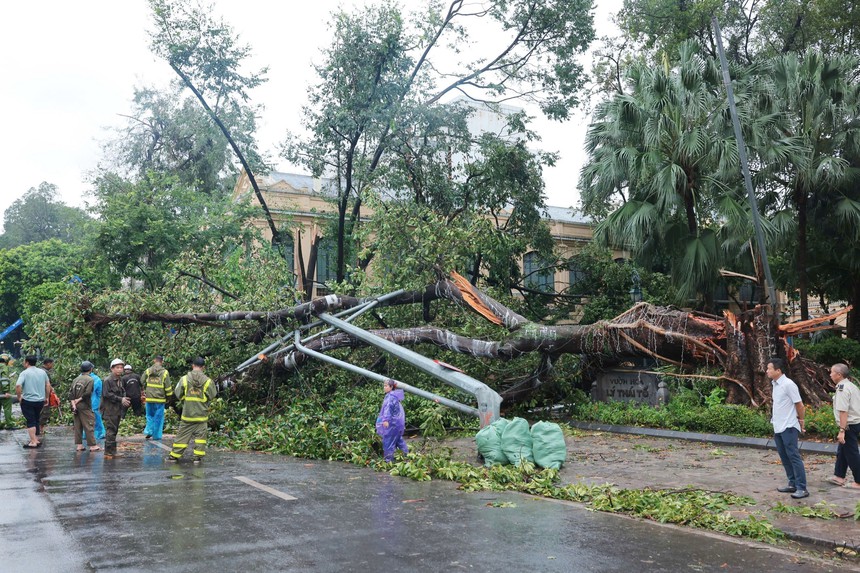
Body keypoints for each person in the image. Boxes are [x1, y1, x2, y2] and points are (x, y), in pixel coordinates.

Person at [766, 357, 809, 499]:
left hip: (789, 426)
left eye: (769, 368)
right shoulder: (775, 384)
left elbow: (799, 405)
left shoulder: (788, 384)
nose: (767, 371)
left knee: (793, 456)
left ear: (778, 370)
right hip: (778, 426)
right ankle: (792, 483)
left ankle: (802, 488)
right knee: (784, 457)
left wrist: (801, 421)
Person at [166, 357, 216, 464]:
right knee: (200, 438)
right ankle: (197, 458)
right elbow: (212, 395)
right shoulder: (208, 381)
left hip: (187, 415)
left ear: (192, 365)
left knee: (182, 436)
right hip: (201, 415)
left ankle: (174, 457)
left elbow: (178, 393)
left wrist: (186, 400)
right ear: (203, 367)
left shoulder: (184, 379)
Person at [827, 363, 860, 489]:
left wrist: (842, 430)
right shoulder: (851, 386)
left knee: (851, 453)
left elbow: (843, 411)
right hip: (854, 423)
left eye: (832, 372)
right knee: (842, 451)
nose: (830, 374)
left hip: (849, 425)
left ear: (839, 375)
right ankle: (839, 476)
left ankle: (858, 481)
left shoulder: (842, 388)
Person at [15, 355, 50, 449]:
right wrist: (47, 397)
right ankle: (36, 439)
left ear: (27, 362)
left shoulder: (24, 373)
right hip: (40, 401)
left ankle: (33, 442)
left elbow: (18, 385)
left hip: (28, 401)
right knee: (36, 419)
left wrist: (19, 397)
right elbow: (47, 385)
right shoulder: (42, 372)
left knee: (30, 420)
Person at [101, 358, 130, 459]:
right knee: (111, 430)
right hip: (109, 410)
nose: (120, 370)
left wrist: (124, 399)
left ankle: (112, 452)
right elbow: (106, 394)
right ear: (112, 369)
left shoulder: (120, 380)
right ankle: (109, 453)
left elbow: (122, 392)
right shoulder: (107, 380)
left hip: (117, 409)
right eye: (117, 368)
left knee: (115, 430)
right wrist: (120, 399)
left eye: (121, 368)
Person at [69, 361, 100, 452]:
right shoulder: (90, 380)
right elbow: (87, 393)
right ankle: (92, 446)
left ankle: (79, 445)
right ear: (91, 369)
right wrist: (78, 400)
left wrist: (74, 404)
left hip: (75, 406)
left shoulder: (76, 379)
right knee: (89, 424)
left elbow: (70, 393)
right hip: (85, 405)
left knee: (78, 426)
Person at [375, 378, 408, 462]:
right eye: (384, 386)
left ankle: (388, 461)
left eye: (386, 386)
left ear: (391, 387)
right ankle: (408, 457)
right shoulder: (394, 396)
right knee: (398, 440)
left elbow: (388, 409)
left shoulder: (390, 397)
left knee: (388, 442)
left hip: (391, 424)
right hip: (397, 423)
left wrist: (385, 420)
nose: (384, 387)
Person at [143, 355, 172, 440]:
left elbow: (141, 381)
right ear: (162, 362)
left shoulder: (148, 371)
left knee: (149, 415)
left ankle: (149, 431)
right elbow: (168, 387)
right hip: (160, 399)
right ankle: (157, 435)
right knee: (158, 417)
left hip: (149, 398)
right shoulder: (165, 372)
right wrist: (169, 397)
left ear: (154, 360)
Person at [38, 358, 56, 435]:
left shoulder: (39, 370)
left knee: (39, 412)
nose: (52, 366)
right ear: (48, 363)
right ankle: (40, 429)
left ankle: (39, 428)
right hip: (44, 394)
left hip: (38, 394)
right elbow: (47, 384)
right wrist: (51, 390)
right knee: (45, 412)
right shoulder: (44, 372)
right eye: (52, 364)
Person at [0, 354, 14, 430]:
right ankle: (9, 424)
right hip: (3, 391)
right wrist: (6, 391)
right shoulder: (4, 367)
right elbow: (4, 380)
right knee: (7, 408)